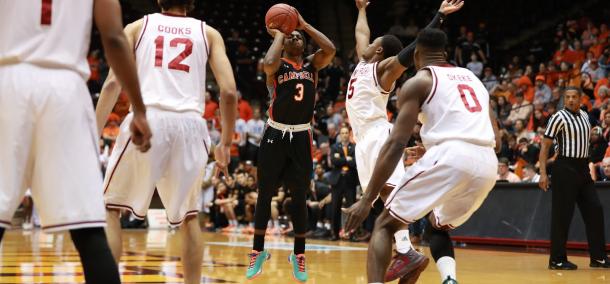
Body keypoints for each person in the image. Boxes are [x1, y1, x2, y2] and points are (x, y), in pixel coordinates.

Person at [0, 0, 153, 283]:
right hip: (65, 91)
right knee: (89, 232)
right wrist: (139, 109)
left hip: (7, 81)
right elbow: (114, 38)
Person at [343, 28, 501, 284]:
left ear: (415, 54)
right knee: (436, 225)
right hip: (486, 164)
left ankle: (404, 253)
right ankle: (446, 277)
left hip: (448, 156)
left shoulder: (418, 82)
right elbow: (496, 137)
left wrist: (365, 200)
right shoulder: (473, 78)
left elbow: (395, 143)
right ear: (446, 52)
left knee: (384, 224)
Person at [95, 1, 237, 283]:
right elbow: (230, 92)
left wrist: (93, 133)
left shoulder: (137, 26)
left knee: (110, 209)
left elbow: (112, 84)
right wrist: (225, 144)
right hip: (191, 125)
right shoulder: (208, 33)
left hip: (149, 119)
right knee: (190, 217)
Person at [347, 0, 464, 281]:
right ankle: (405, 252)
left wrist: (438, 16)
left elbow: (413, 50)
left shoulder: (384, 69)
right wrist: (361, 9)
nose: (366, 41)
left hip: (377, 134)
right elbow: (360, 34)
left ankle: (405, 251)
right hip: (362, 139)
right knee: (381, 197)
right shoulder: (364, 61)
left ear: (379, 50)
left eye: (373, 41)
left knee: (388, 191)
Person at [246, 9, 335, 282]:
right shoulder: (278, 65)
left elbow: (330, 48)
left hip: (300, 136)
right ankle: (258, 251)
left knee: (299, 198)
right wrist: (281, 34)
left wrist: (305, 25)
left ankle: (298, 254)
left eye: (298, 36)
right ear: (283, 42)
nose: (295, 37)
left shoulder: (311, 64)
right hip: (275, 134)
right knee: (264, 194)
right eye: (291, 36)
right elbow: (268, 63)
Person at [539, 87, 610, 270]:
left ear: (581, 99)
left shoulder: (586, 115)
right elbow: (545, 146)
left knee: (595, 210)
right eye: (567, 97)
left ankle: (598, 258)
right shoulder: (558, 117)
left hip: (583, 169)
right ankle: (556, 259)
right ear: (564, 99)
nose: (570, 100)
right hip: (564, 168)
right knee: (562, 216)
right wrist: (543, 174)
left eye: (574, 97)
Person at [329, 126, 359, 240]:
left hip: (350, 180)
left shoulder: (355, 147)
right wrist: (347, 159)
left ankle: (352, 233)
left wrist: (341, 159)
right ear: (340, 135)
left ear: (349, 134)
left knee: (352, 208)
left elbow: (355, 162)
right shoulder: (334, 147)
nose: (345, 135)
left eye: (346, 133)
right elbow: (334, 161)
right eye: (343, 133)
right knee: (335, 208)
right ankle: (334, 233)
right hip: (337, 181)